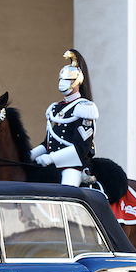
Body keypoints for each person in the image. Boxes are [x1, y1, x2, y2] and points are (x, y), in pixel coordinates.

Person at [31, 49, 97, 187]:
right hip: (52, 163)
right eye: (61, 79)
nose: (63, 82)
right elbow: (48, 143)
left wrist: (51, 158)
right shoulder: (56, 108)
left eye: (67, 80)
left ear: (78, 81)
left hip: (72, 166)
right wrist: (30, 155)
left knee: (67, 191)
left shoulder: (84, 108)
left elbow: (81, 148)